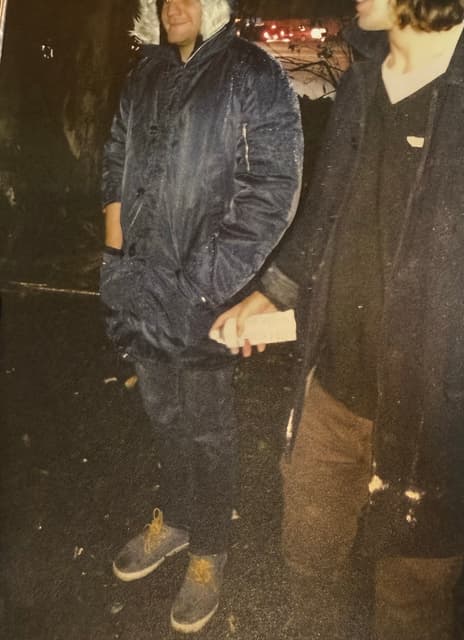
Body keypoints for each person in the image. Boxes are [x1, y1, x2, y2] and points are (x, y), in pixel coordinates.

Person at [212, 1, 464, 638]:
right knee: (307, 563)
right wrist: (275, 291)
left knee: (412, 601)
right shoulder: (363, 76)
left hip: (442, 425)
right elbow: (327, 208)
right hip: (333, 396)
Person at [99, 0, 302, 633]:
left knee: (207, 428)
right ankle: (179, 520)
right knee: (164, 416)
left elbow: (273, 189)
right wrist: (116, 255)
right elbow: (116, 158)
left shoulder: (251, 71)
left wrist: (207, 283)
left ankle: (210, 547)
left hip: (203, 297)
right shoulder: (148, 71)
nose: (175, 6)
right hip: (141, 288)